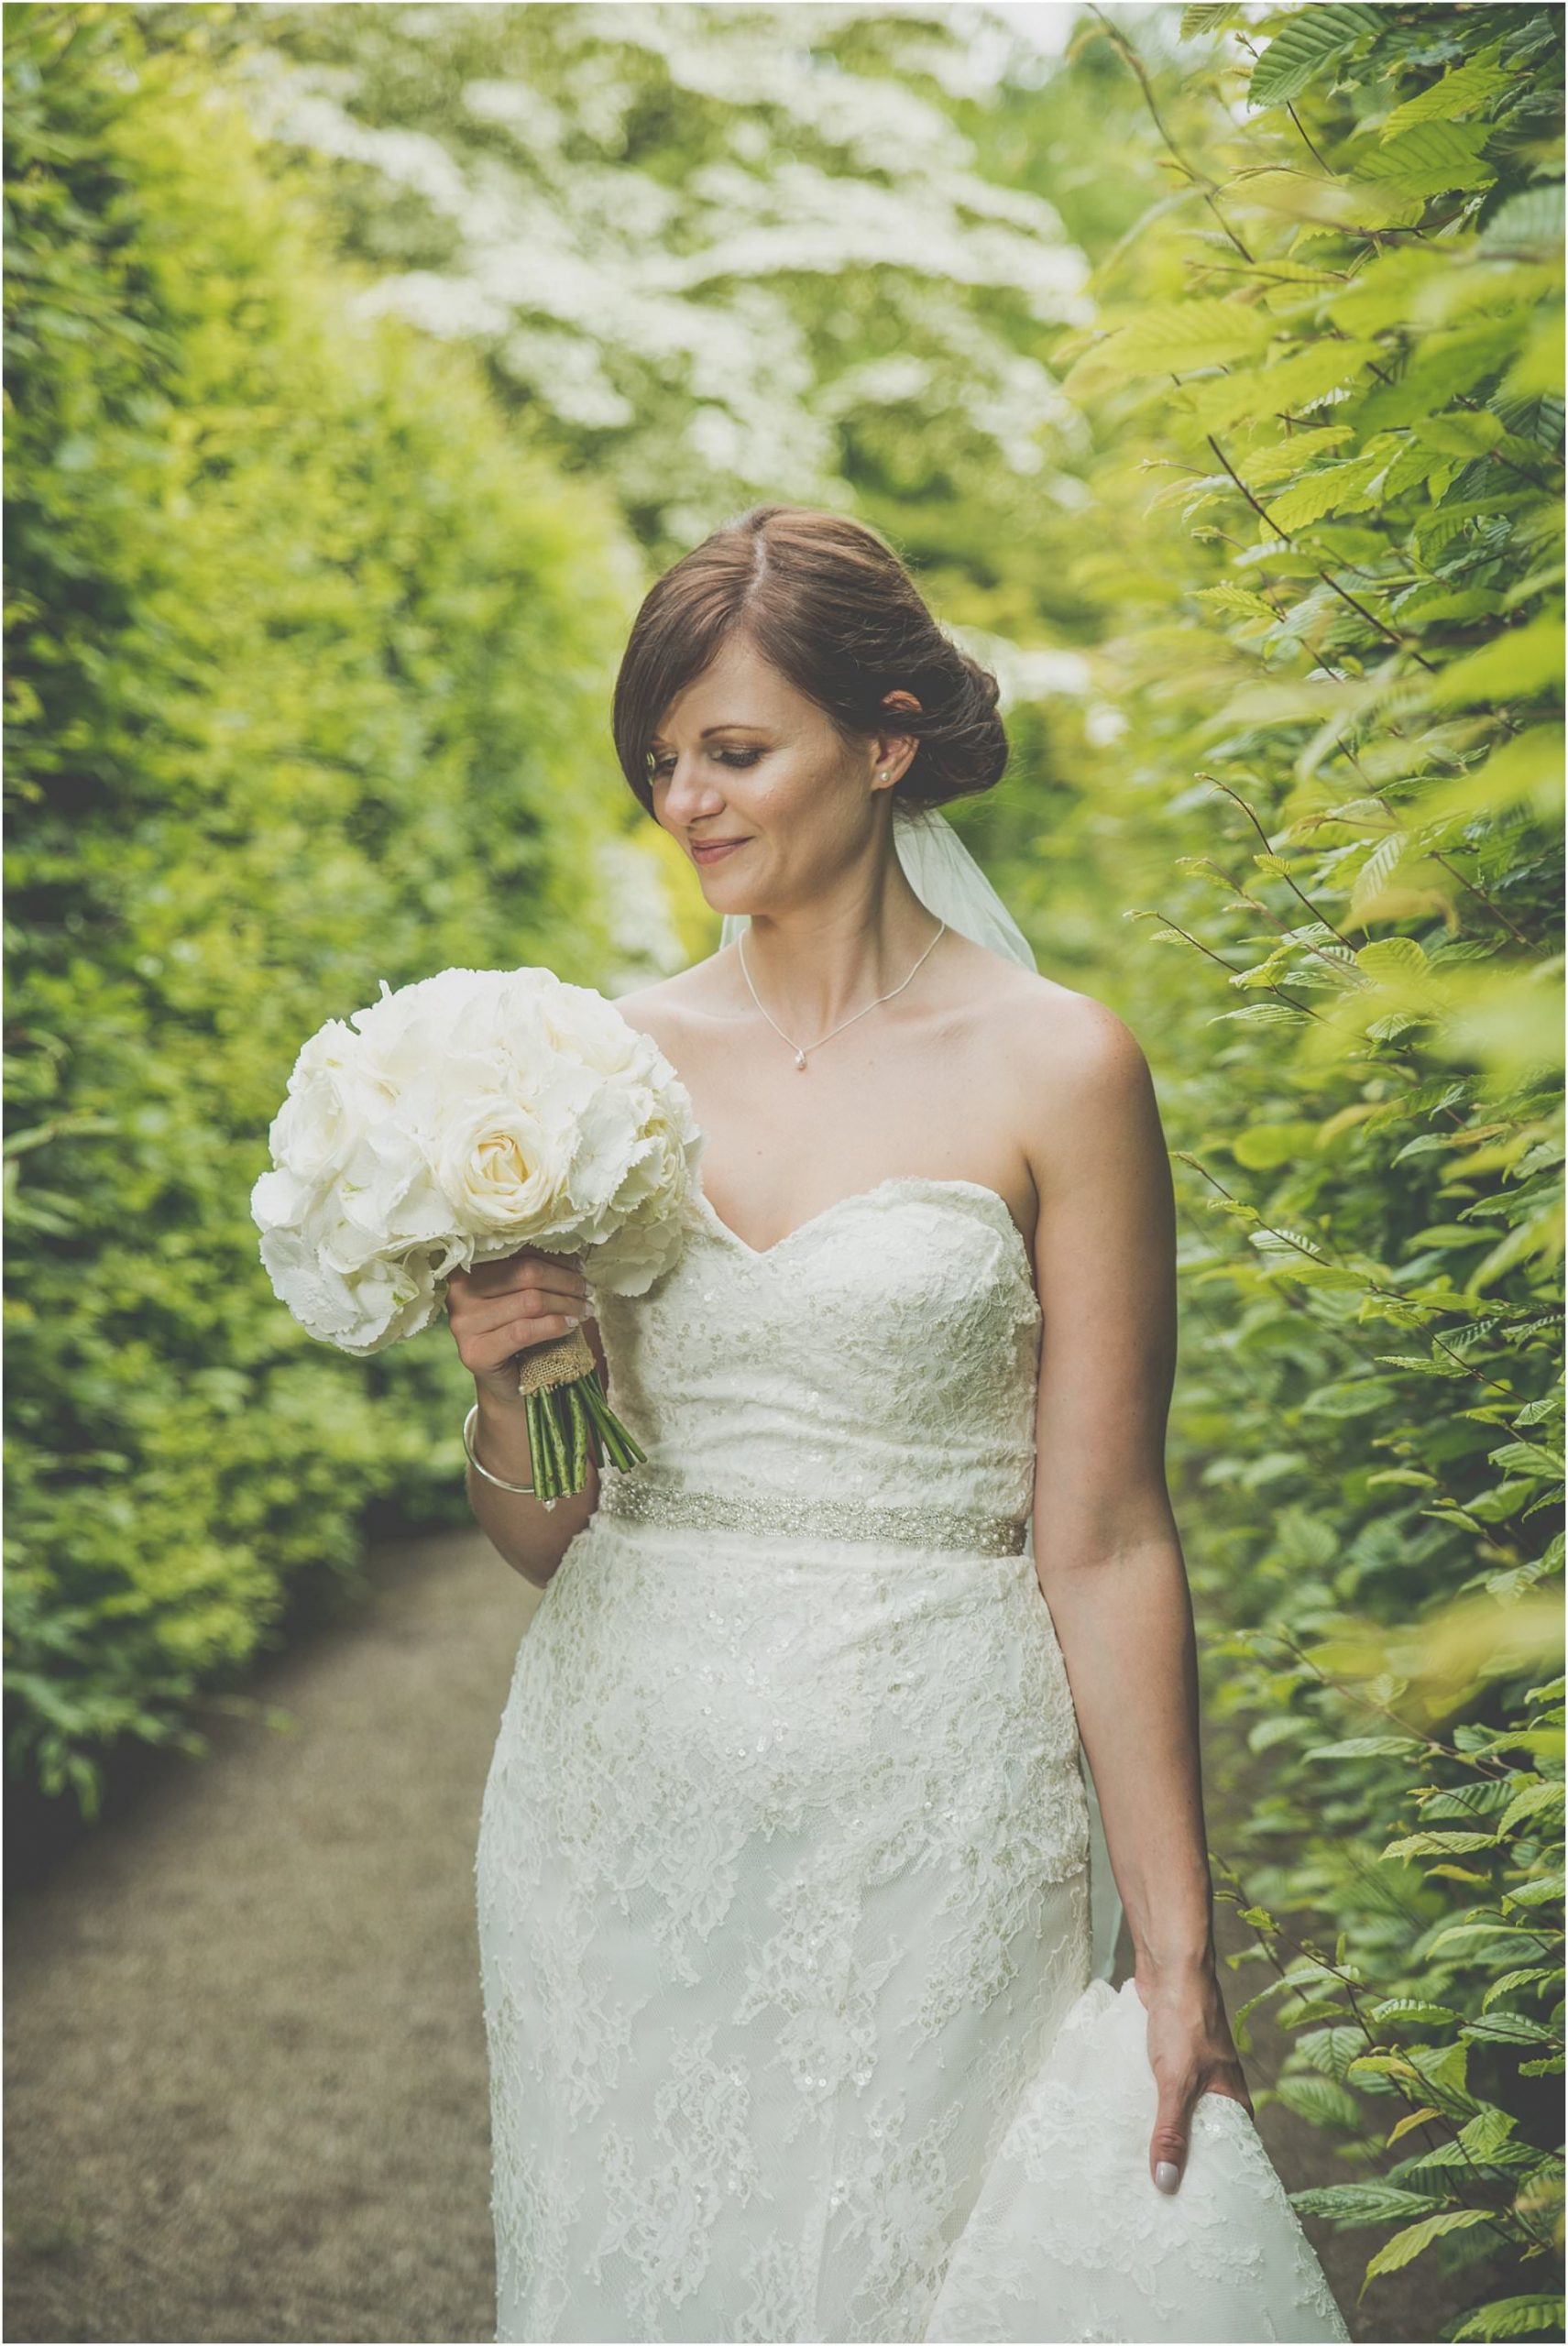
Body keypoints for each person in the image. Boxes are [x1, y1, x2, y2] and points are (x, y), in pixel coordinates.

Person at [451, 505, 1350, 2343]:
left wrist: (1181, 1955)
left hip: (935, 1800)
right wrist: (509, 1383)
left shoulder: (1058, 1065)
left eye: (733, 749)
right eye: (660, 759)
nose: (686, 798)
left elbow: (1100, 1532)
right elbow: (544, 1530)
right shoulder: (592, 1076)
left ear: (883, 737)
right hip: (620, 1792)